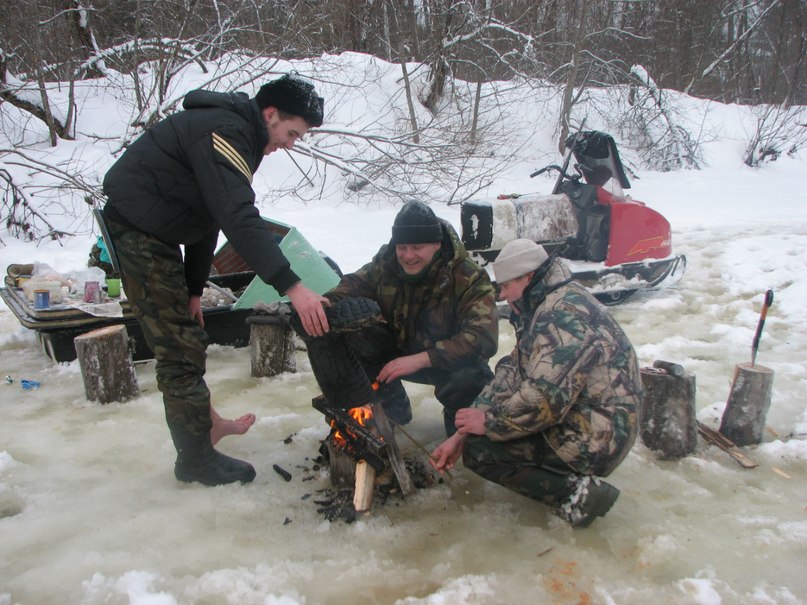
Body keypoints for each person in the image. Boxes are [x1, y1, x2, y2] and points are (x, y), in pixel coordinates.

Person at [101, 73, 330, 486]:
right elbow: (240, 219)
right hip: (138, 234)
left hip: (159, 233)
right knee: (179, 348)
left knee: (188, 333)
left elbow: (209, 216)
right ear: (271, 114)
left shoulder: (237, 131)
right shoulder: (225, 131)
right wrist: (293, 287)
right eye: (291, 133)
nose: (290, 144)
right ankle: (195, 460)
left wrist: (193, 288)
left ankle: (206, 425)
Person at [430, 238, 641, 527]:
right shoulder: (544, 305)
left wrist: (489, 423)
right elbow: (513, 372)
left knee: (482, 452)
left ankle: (578, 496)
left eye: (505, 287)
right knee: (476, 437)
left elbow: (544, 398)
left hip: (602, 433)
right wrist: (464, 429)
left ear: (527, 278)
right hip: (585, 414)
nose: (502, 296)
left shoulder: (560, 315)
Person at [297, 199, 499, 435]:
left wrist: (423, 358)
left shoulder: (467, 276)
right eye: (402, 247)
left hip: (447, 362)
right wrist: (321, 306)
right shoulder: (386, 264)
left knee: (469, 377)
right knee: (357, 336)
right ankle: (392, 410)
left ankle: (460, 429)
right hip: (397, 353)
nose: (408, 255)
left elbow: (484, 337)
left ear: (436, 244)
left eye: (416, 248)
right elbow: (352, 286)